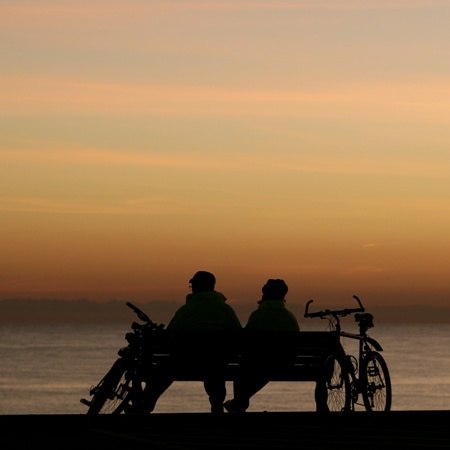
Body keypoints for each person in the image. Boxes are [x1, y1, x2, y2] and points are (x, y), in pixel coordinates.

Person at [142, 270, 242, 414]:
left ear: (196, 287)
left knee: (164, 370)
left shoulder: (185, 311)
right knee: (214, 366)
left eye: (192, 285)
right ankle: (217, 405)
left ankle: (146, 404)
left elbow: (169, 338)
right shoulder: (225, 310)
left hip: (185, 362)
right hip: (215, 363)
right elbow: (238, 337)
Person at [223, 278, 300, 413]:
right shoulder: (290, 317)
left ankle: (239, 404)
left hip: (259, 363)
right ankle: (238, 403)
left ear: (264, 294)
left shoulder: (258, 316)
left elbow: (245, 342)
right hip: (285, 363)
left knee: (243, 372)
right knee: (261, 370)